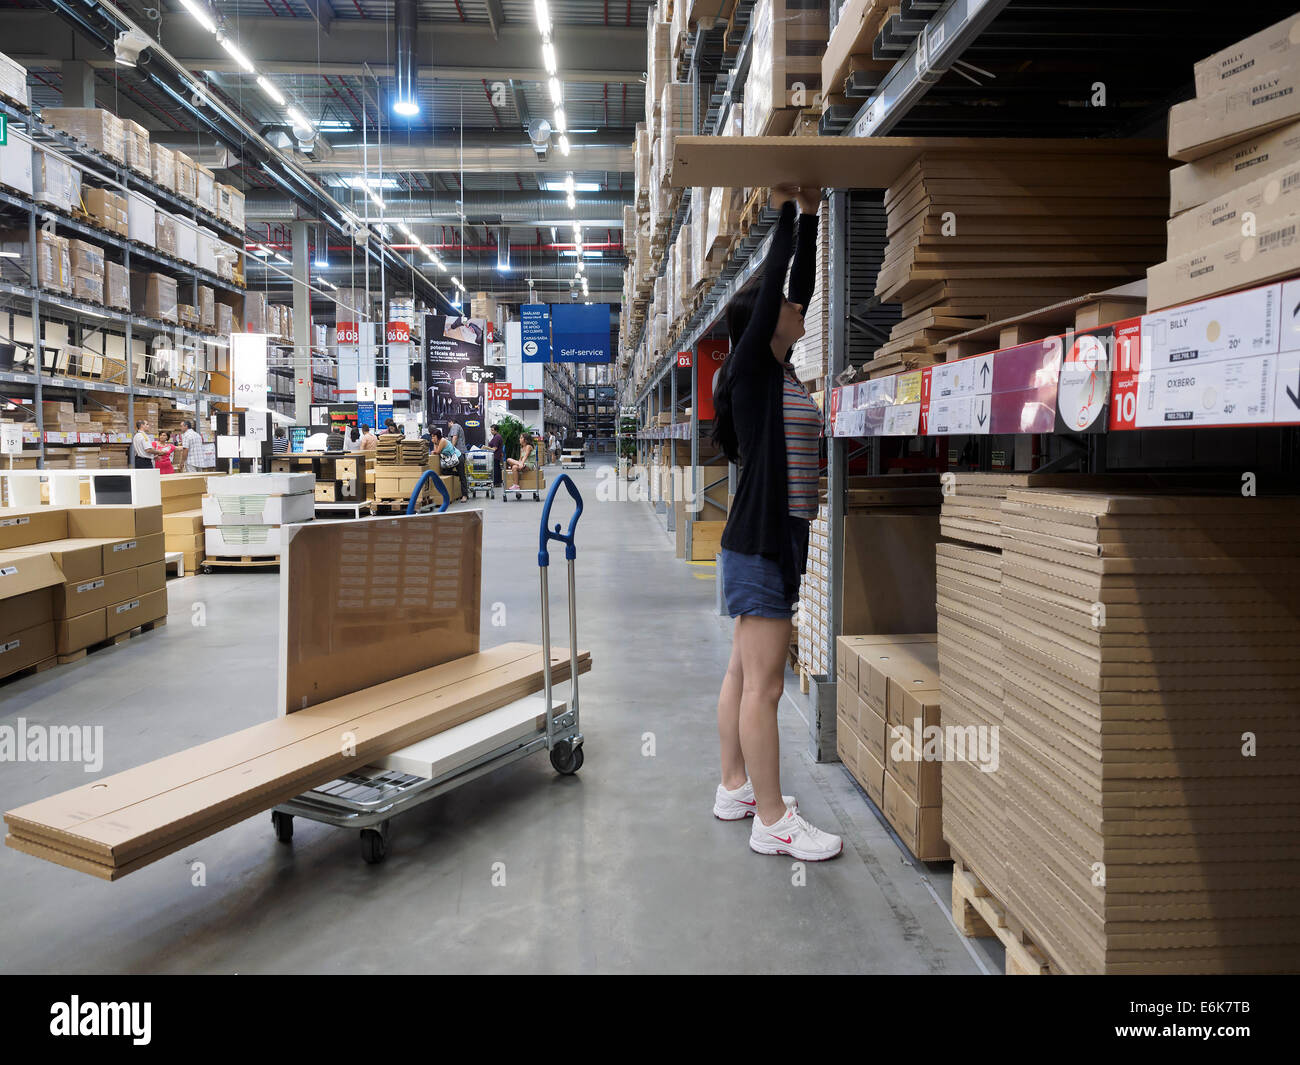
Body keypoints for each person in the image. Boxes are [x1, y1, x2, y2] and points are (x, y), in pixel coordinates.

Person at [709, 185, 842, 862]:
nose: (795, 308)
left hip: (759, 544)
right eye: (784, 309)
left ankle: (734, 784)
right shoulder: (755, 373)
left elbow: (802, 287)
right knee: (764, 685)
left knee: (741, 672)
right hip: (763, 546)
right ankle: (771, 819)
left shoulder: (777, 372)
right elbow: (775, 290)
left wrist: (814, 218)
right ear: (763, 327)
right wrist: (786, 211)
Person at [429, 427, 468, 502]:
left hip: (458, 457)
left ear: (438, 436)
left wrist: (434, 444)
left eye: (434, 436)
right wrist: (434, 443)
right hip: (450, 460)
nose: (432, 438)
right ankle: (457, 474)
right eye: (432, 436)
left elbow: (436, 452)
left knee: (462, 477)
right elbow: (434, 451)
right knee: (444, 471)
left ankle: (464, 495)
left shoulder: (443, 441)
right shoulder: (437, 442)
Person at [487, 422, 504, 487]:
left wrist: (486, 448)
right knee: (497, 468)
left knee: (496, 469)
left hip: (496, 455)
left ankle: (496, 482)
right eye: (491, 430)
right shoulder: (496, 436)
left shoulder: (497, 437)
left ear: (496, 430)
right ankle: (498, 482)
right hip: (496, 455)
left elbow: (494, 448)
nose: (491, 431)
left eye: (492, 430)